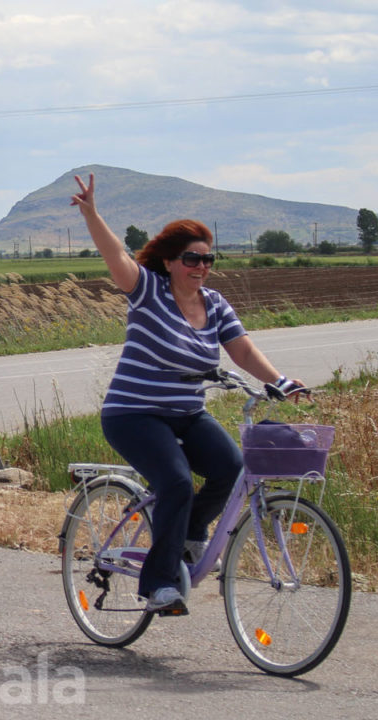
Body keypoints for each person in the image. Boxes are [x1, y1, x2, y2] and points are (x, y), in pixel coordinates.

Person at [70, 172, 303, 616]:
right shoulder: (147, 291)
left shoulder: (214, 303)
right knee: (176, 481)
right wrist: (92, 214)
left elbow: (242, 349)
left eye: (207, 260)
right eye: (192, 259)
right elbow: (115, 255)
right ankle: (158, 584)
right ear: (171, 261)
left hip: (187, 412)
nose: (201, 267)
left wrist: (281, 380)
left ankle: (187, 536)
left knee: (234, 468)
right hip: (134, 414)